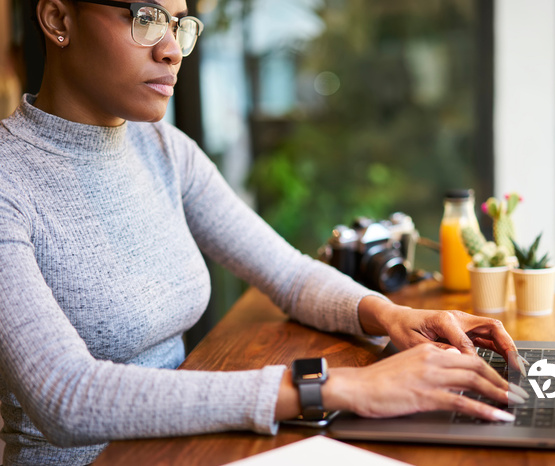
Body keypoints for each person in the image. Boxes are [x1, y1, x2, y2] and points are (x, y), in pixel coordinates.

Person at [0, 0, 527, 464]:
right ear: (58, 19)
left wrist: (391, 316)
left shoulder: (162, 147)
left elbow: (287, 272)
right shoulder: (9, 179)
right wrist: (333, 387)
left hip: (185, 445)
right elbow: (63, 396)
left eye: (180, 25)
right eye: (145, 18)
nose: (171, 50)